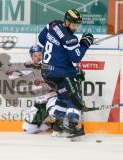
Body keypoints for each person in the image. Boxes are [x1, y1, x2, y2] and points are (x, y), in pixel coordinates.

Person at [38, 9, 93, 137]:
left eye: (77, 25)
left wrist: (59, 49)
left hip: (46, 72)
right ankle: (72, 126)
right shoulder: (70, 38)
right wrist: (85, 43)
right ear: (67, 21)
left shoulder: (53, 24)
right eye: (73, 25)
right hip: (60, 72)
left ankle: (58, 126)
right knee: (75, 97)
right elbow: (76, 58)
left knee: (63, 97)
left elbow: (41, 39)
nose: (75, 28)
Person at [0, 45, 57, 134]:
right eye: (35, 55)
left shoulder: (51, 66)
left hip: (52, 97)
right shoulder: (28, 67)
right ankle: (50, 126)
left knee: (54, 110)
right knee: (28, 128)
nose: (38, 57)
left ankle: (61, 127)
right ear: (31, 56)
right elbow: (10, 70)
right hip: (40, 103)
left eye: (40, 55)